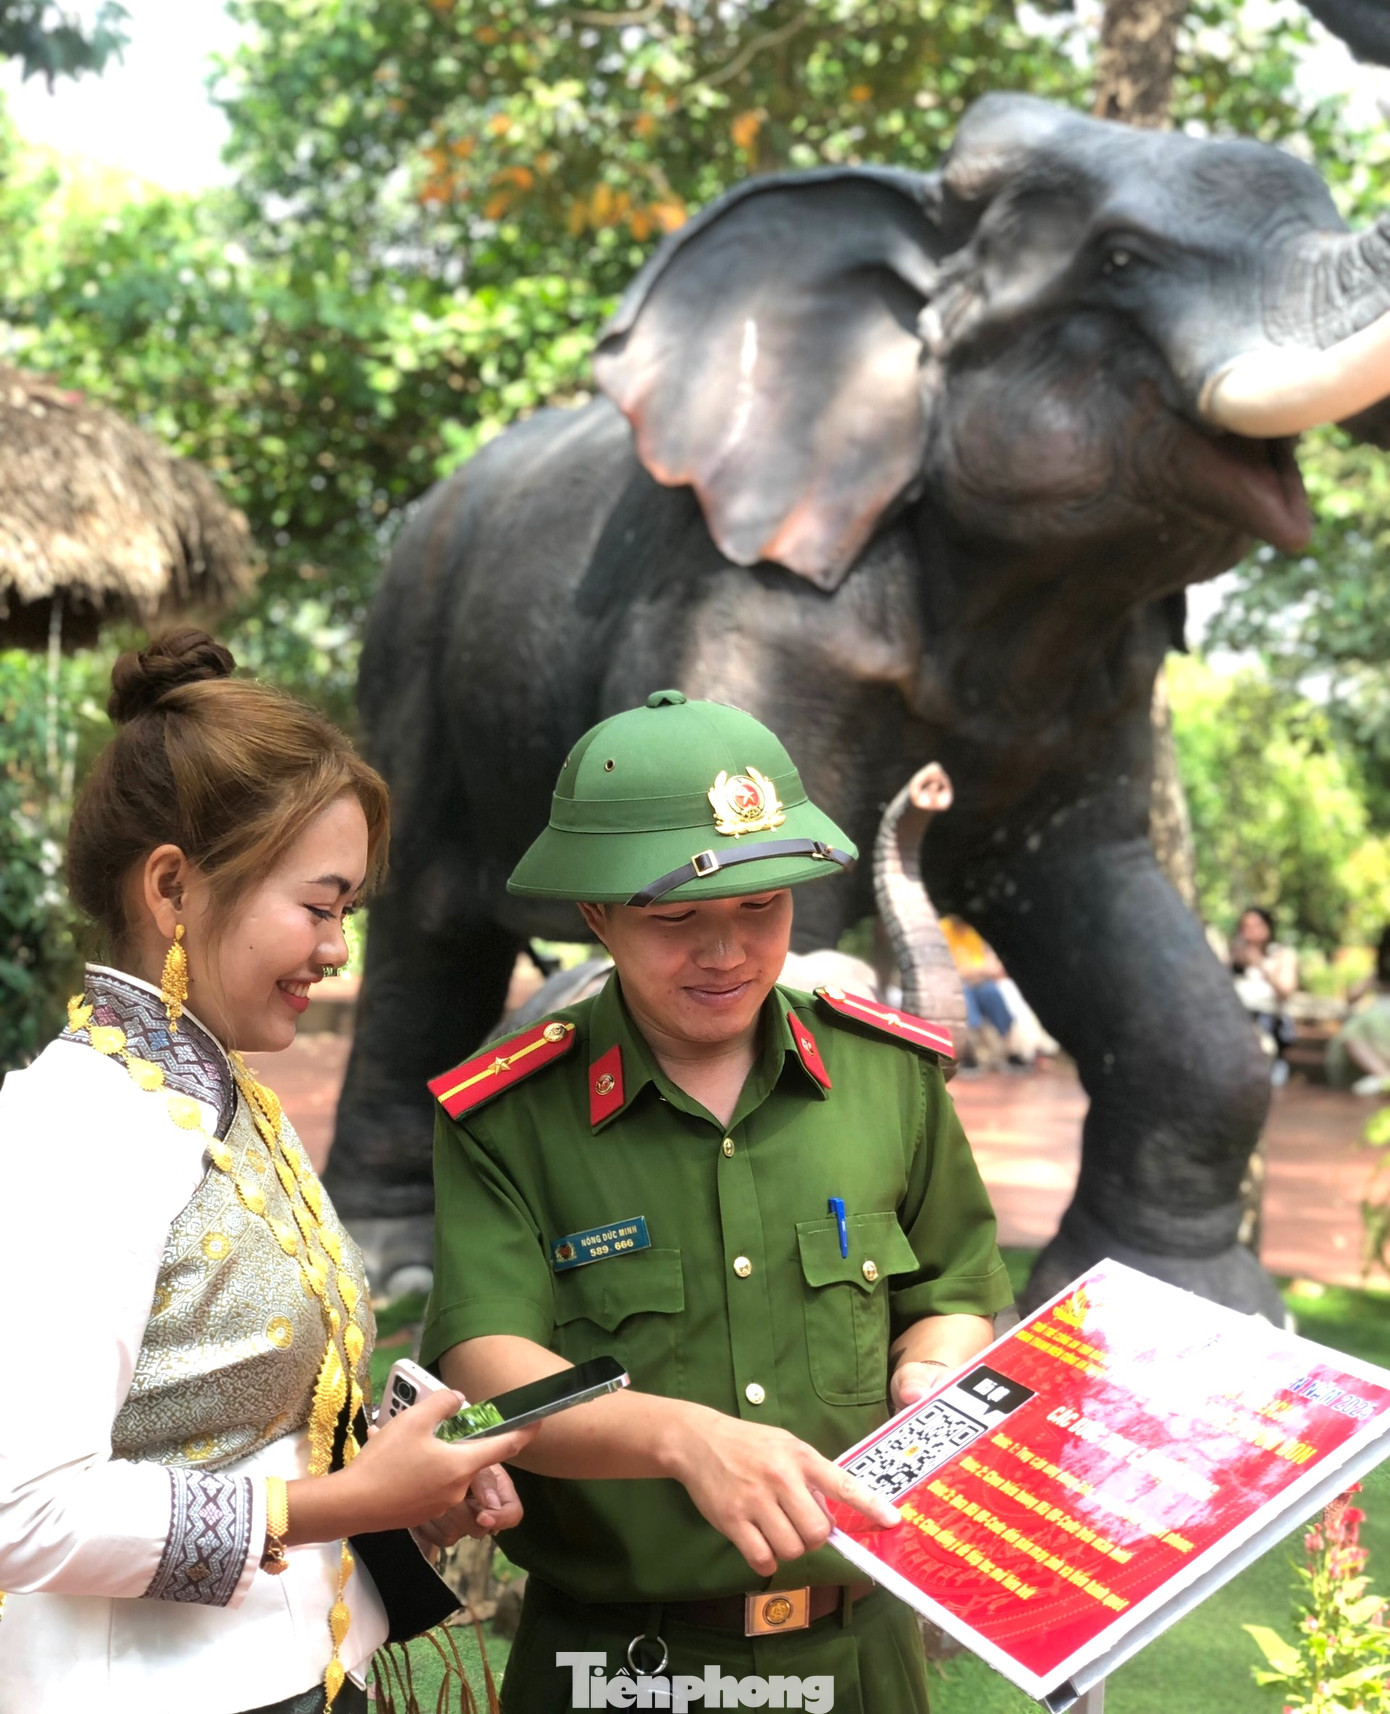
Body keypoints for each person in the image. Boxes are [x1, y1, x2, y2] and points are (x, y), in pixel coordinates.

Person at [420, 690, 1013, 1712]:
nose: (727, 951)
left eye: (759, 909)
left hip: (859, 1659)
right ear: (596, 913)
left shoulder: (888, 1077)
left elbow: (955, 1288)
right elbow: (488, 1363)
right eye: (679, 917)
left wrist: (931, 1366)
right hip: (613, 1666)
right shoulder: (508, 1114)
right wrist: (681, 1438)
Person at [0, 631, 538, 1714]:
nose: (340, 948)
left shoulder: (214, 1093)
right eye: (320, 904)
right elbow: (23, 1510)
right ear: (172, 888)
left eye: (347, 912)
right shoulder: (75, 1126)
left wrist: (400, 1463)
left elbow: (242, 1404)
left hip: (300, 1671)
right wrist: (333, 1504)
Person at [1230, 906, 1299, 1083]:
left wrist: (1259, 964)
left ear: (1268, 927)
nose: (1250, 931)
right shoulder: (1233, 958)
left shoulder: (1282, 955)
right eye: (1245, 926)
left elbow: (1285, 992)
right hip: (1235, 1019)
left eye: (1256, 925)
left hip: (1268, 1021)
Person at [1326, 926, 1390, 1093]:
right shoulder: (1379, 973)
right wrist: (1374, 978)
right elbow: (1351, 997)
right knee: (1351, 1031)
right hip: (1375, 1025)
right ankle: (1384, 1078)